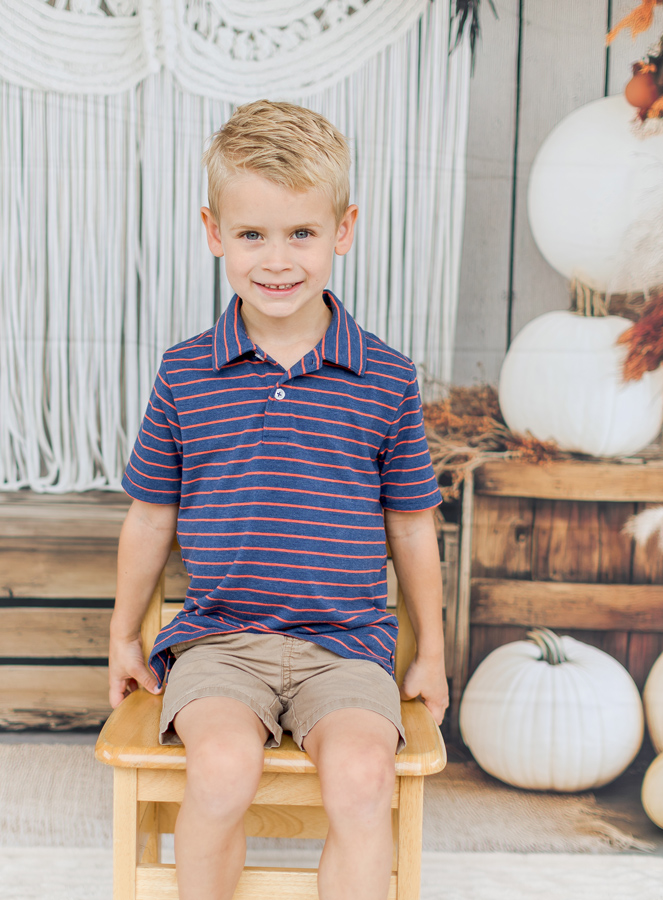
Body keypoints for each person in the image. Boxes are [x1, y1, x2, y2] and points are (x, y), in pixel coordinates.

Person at [108, 99, 447, 900]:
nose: (278, 259)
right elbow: (151, 515)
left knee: (364, 779)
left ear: (344, 229)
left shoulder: (386, 379)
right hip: (222, 643)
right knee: (223, 770)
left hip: (348, 647)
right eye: (253, 233)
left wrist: (429, 649)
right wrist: (125, 635)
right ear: (214, 232)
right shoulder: (186, 375)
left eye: (301, 232)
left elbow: (413, 524)